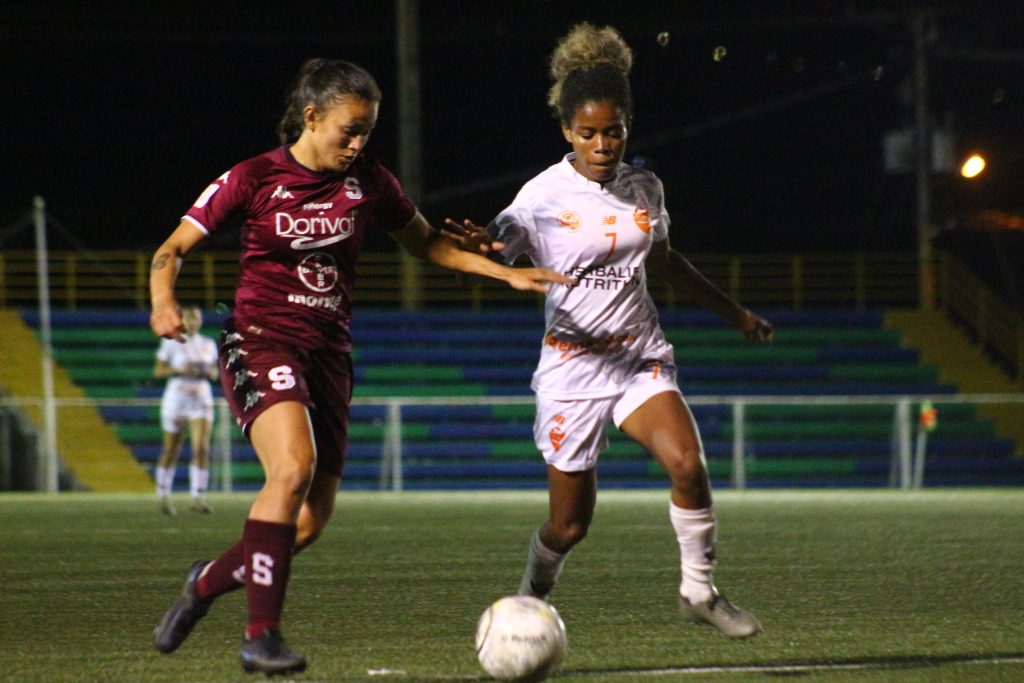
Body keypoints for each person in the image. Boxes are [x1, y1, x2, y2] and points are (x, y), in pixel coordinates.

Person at [148, 58, 571, 676]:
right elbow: (173, 248)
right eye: (349, 130)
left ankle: (205, 583)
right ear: (311, 117)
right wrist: (163, 302)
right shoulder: (254, 176)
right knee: (292, 468)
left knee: (308, 524)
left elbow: (427, 243)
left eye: (367, 132)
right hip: (261, 339)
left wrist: (502, 273)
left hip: (329, 354)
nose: (357, 144)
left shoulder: (369, 180)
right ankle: (261, 635)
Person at [448, 23, 773, 639]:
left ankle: (699, 591)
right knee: (569, 527)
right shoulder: (541, 196)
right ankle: (530, 596)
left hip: (637, 358)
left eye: (614, 131)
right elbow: (495, 250)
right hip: (572, 370)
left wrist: (735, 313)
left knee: (688, 464)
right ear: (567, 132)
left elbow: (666, 263)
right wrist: (480, 248)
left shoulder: (645, 187)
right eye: (588, 133)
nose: (602, 145)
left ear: (628, 126)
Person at [153, 304, 218, 515]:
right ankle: (163, 493)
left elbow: (215, 372)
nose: (193, 321)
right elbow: (158, 370)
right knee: (171, 449)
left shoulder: (208, 344)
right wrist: (180, 368)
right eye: (189, 317)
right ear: (182, 320)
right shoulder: (171, 341)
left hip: (200, 397)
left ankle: (198, 496)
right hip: (177, 397)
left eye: (196, 317)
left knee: (201, 448)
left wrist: (209, 372)